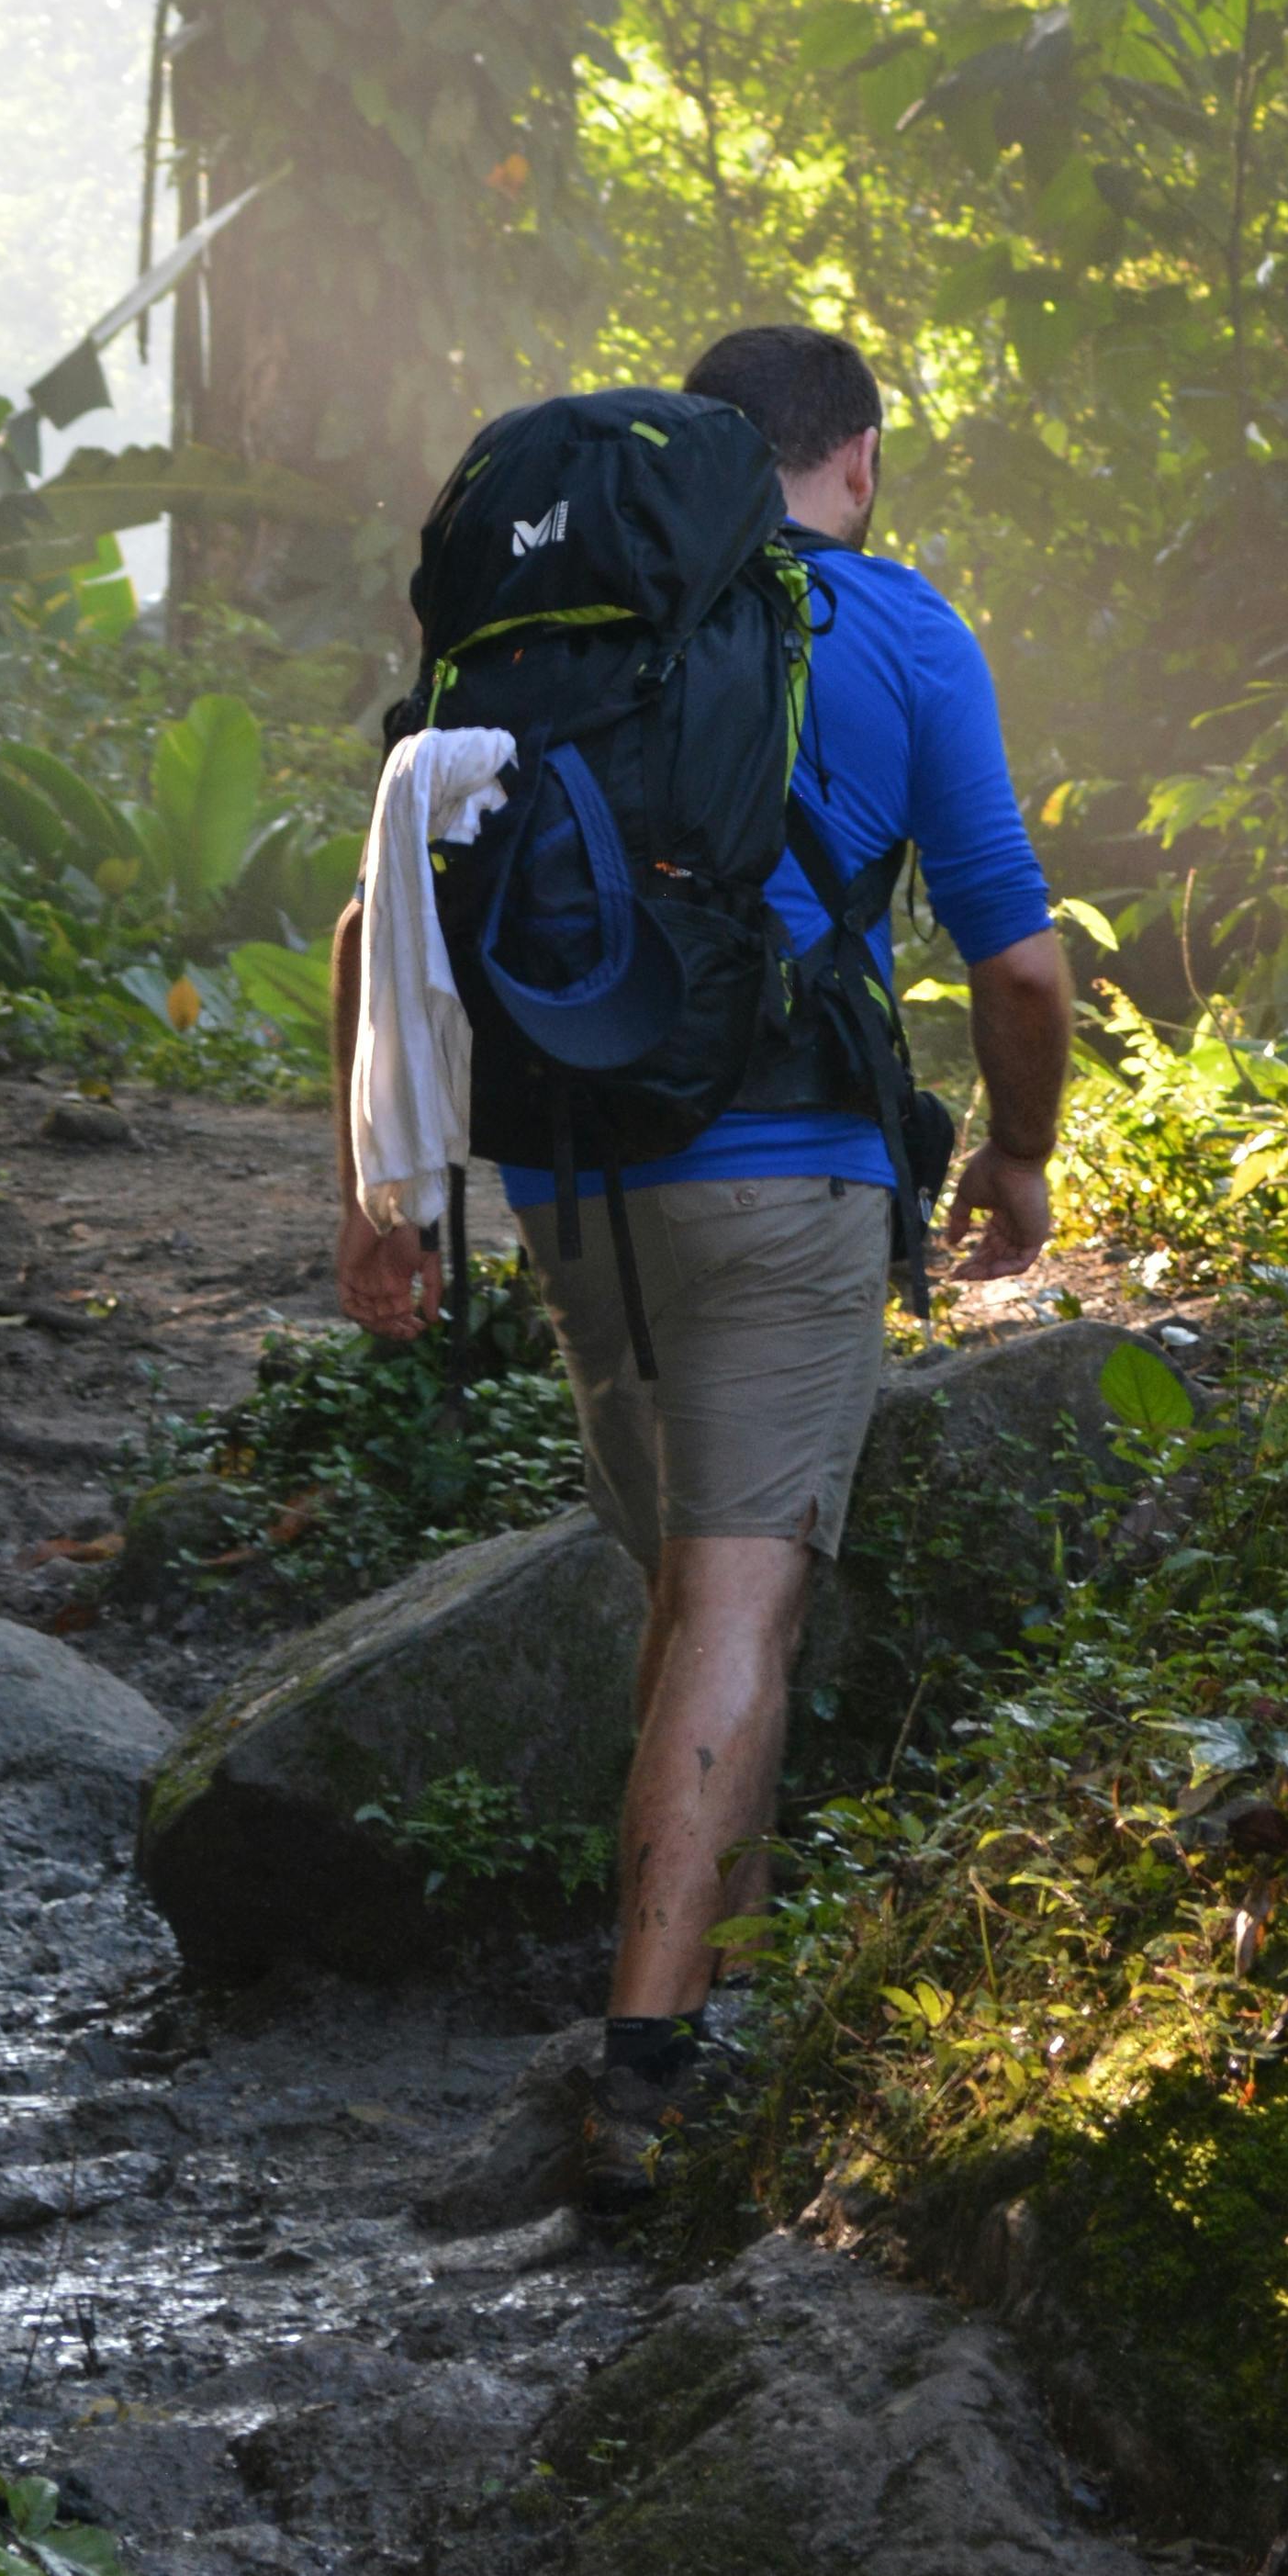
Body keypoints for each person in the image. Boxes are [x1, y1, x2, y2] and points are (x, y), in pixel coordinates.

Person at [331, 322, 1072, 2213]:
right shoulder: (892, 629)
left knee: (685, 1586)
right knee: (741, 1602)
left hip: (572, 1173)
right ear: (861, 456)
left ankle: (716, 1998)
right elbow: (1016, 966)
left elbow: (372, 919)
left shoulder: (567, 635)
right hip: (781, 1178)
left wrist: (377, 1195)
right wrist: (1014, 1155)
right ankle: (645, 2078)